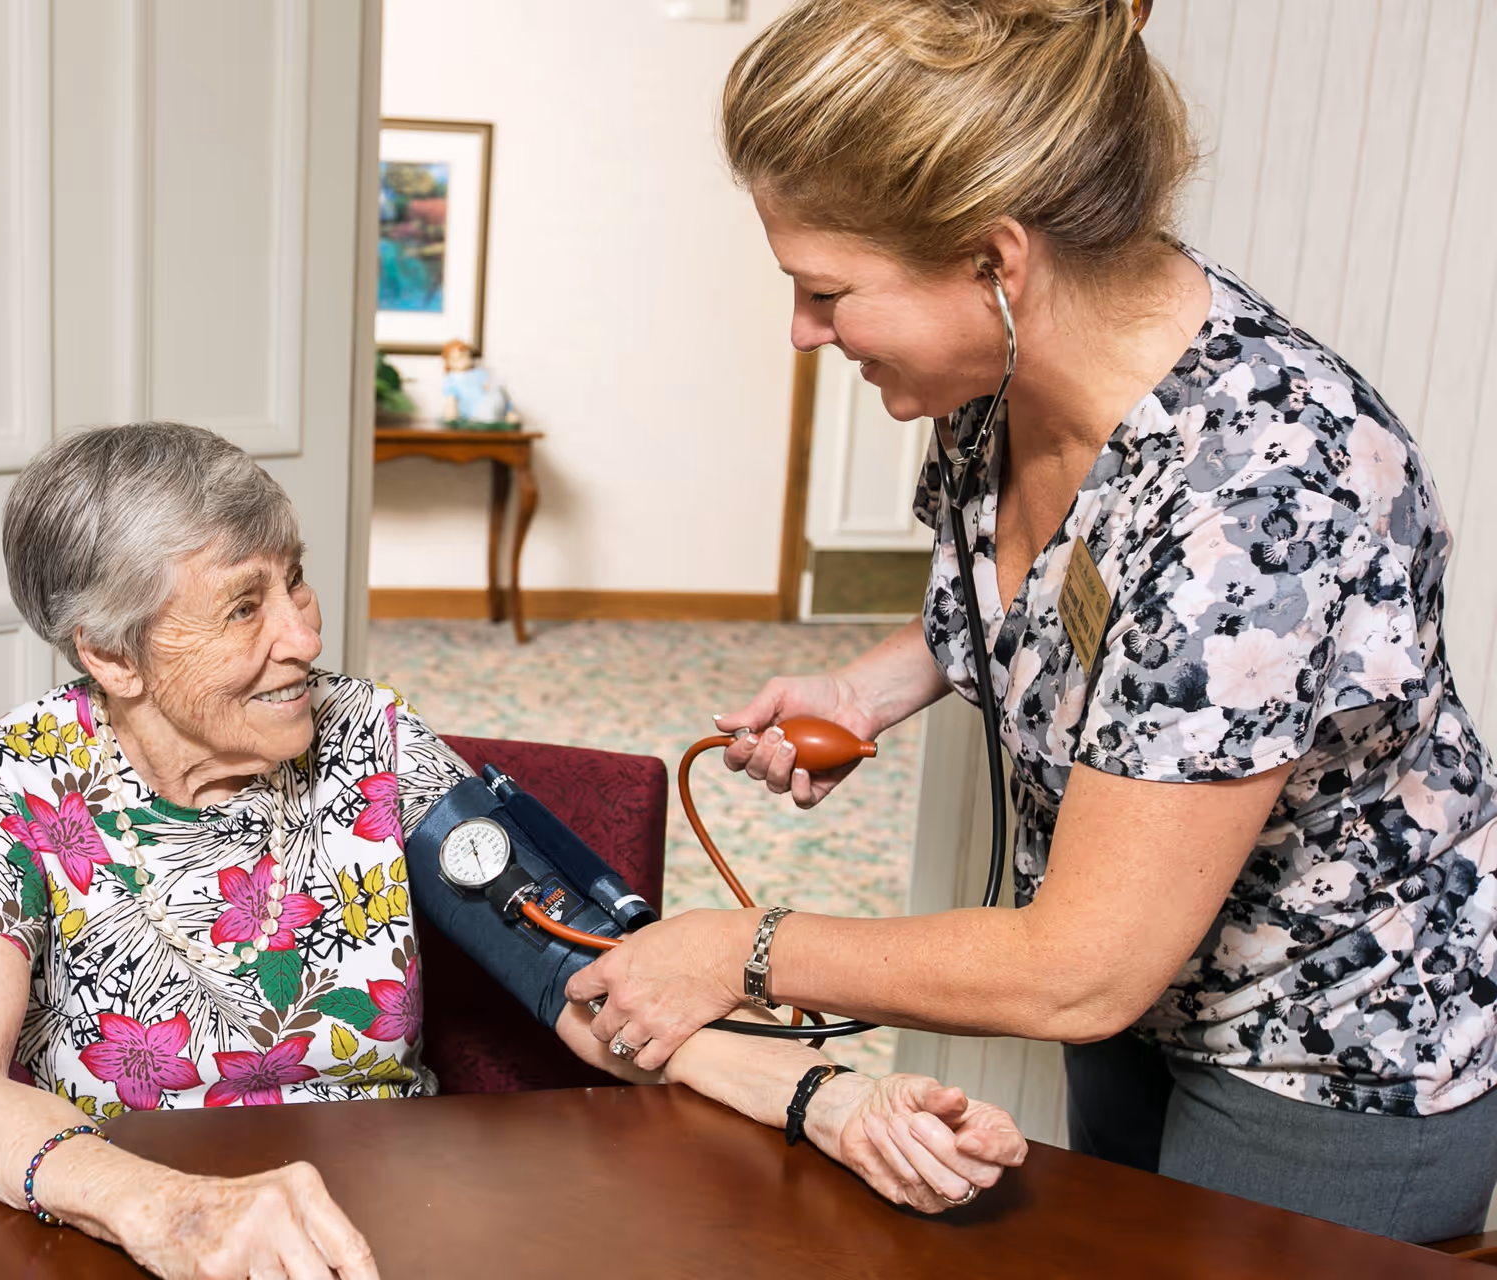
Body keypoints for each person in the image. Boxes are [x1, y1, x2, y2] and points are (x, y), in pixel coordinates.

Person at [566, 0, 1497, 1244]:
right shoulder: (989, 381)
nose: (804, 332)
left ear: (996, 265)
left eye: (828, 291)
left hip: (1333, 1051)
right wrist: (875, 686)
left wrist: (746, 949)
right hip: (1148, 1001)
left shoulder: (1266, 496)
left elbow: (1083, 965)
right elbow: (1056, 596)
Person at [0, 423, 1027, 1280]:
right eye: (244, 607)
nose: (305, 633)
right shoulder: (14, 780)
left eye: (295, 576)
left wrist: (828, 1098)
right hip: (125, 1233)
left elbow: (589, 969)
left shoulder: (368, 737)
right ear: (111, 653)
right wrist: (167, 1210)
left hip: (385, 1223)